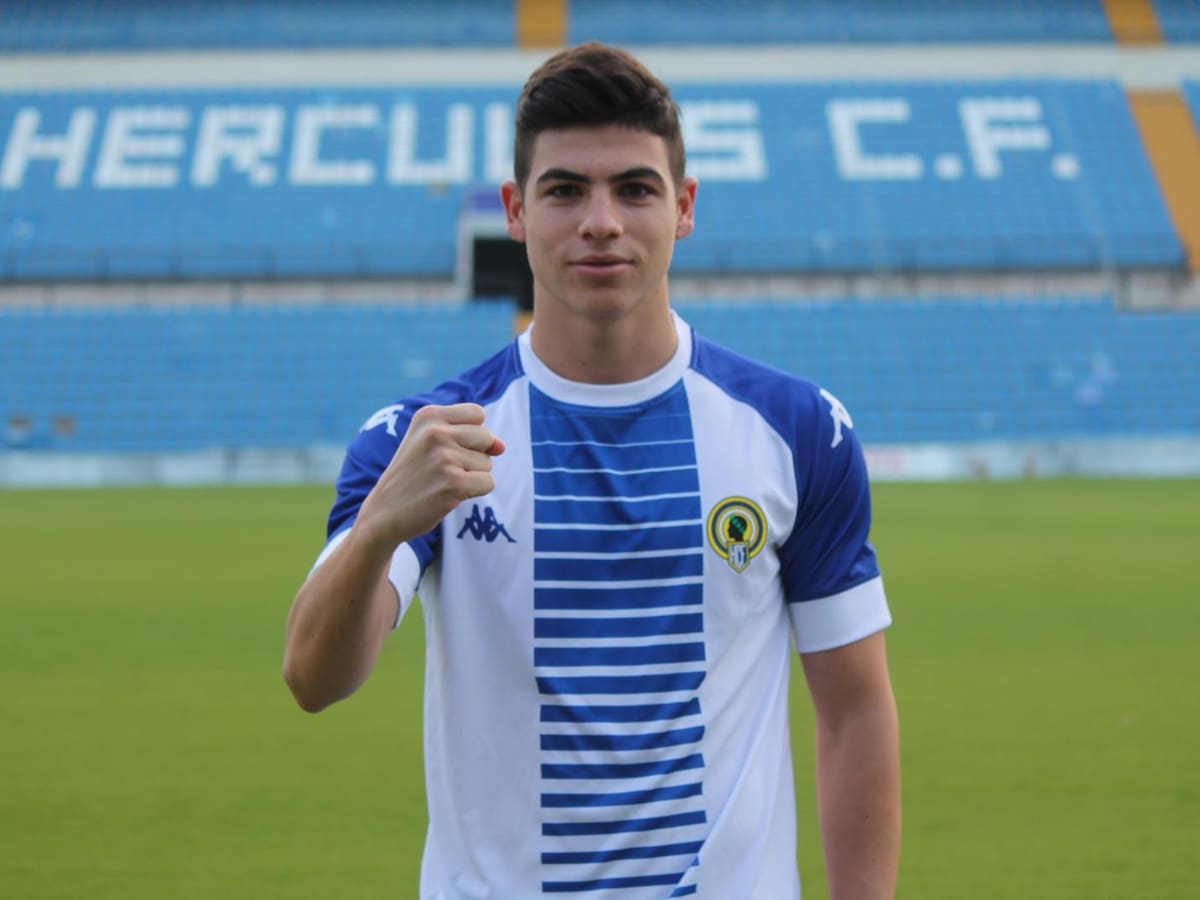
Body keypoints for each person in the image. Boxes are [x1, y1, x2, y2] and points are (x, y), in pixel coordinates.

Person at [284, 41, 900, 900]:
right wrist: (381, 527)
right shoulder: (427, 440)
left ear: (684, 208)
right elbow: (314, 678)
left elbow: (856, 708)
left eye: (635, 189)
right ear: (516, 210)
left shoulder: (797, 432)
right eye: (565, 190)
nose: (601, 221)